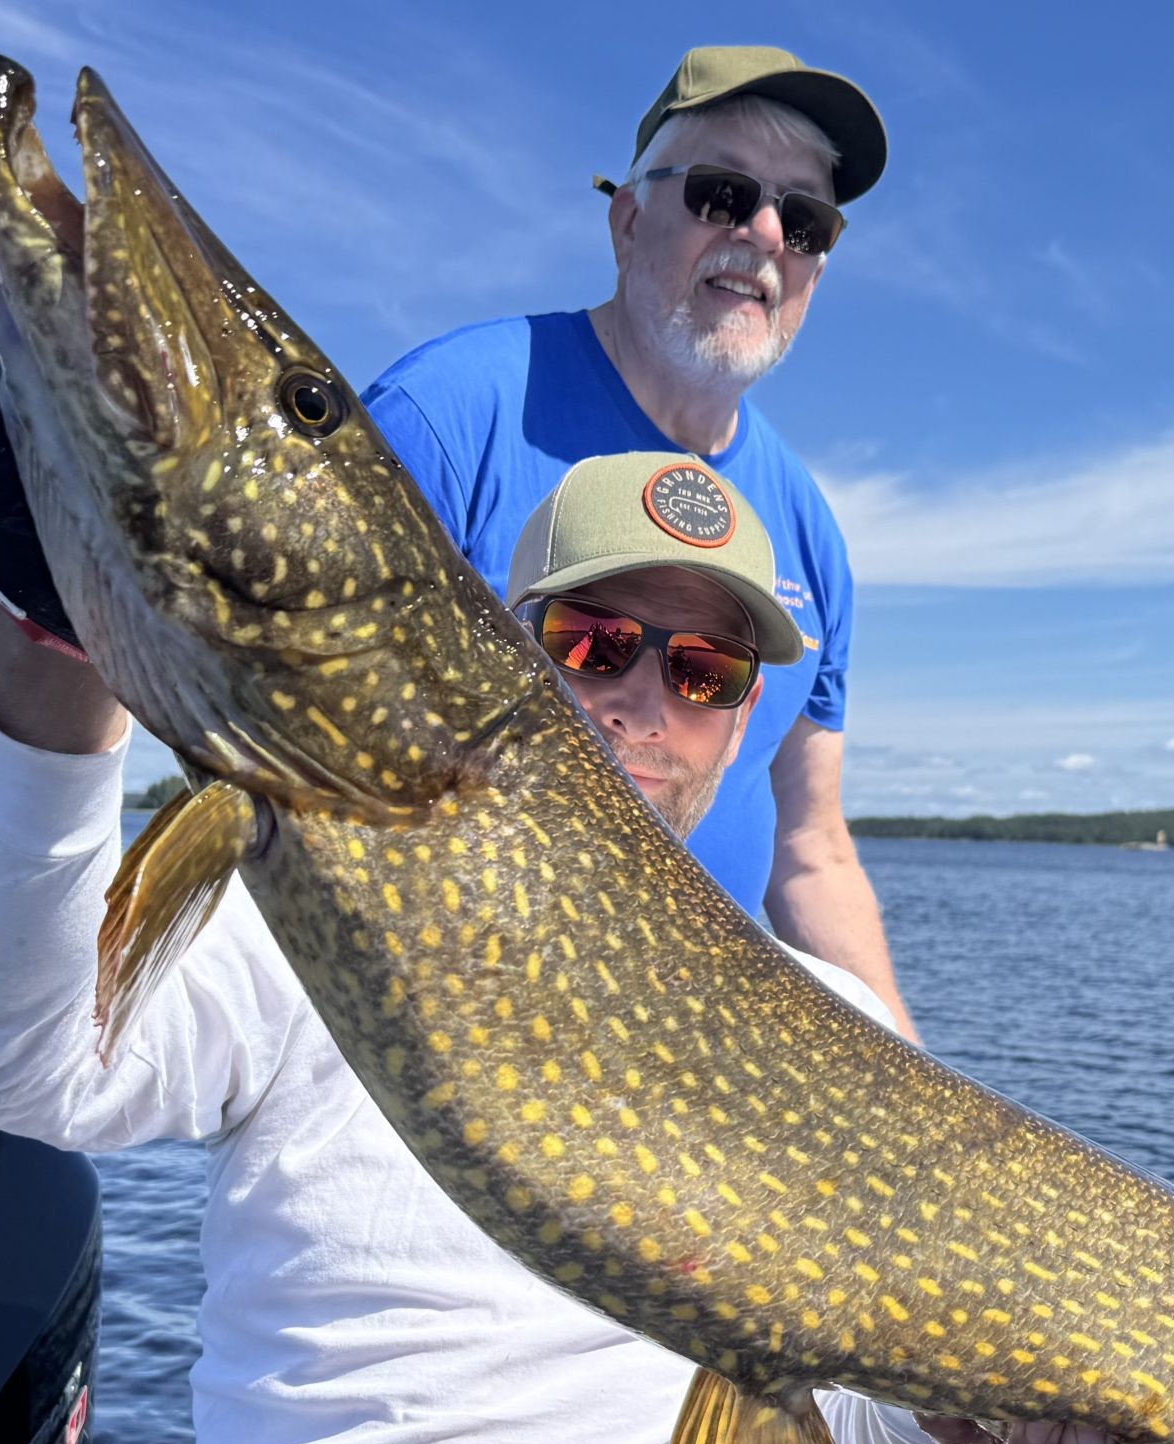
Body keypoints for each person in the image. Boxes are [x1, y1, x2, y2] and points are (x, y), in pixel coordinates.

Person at [0, 441, 1173, 1444]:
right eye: (596, 641)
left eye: (704, 670)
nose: (645, 699)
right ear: (506, 650)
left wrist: (958, 1425)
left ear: (741, 719)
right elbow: (14, 1053)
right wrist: (43, 633)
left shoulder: (839, 1035)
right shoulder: (322, 908)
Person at [361, 47, 917, 1038]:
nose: (764, 234)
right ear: (626, 221)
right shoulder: (447, 415)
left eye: (804, 220)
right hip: (448, 1025)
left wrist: (915, 1089)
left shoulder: (810, 531)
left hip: (689, 1064)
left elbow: (810, 848)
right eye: (721, 194)